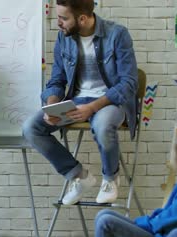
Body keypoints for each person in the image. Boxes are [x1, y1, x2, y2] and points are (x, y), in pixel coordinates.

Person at [22, 0, 138, 205]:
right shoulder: (63, 37)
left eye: (63, 18)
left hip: (109, 101)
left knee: (102, 126)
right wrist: (52, 105)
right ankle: (78, 176)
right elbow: (57, 80)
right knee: (31, 127)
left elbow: (128, 83)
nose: (58, 23)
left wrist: (92, 107)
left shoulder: (117, 34)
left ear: (82, 19)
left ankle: (110, 178)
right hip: (76, 101)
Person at [94, 120, 177, 237]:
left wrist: (136, 228)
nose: (176, 155)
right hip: (158, 233)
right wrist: (135, 227)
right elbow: (163, 213)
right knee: (103, 214)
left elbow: (166, 219)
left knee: (106, 222)